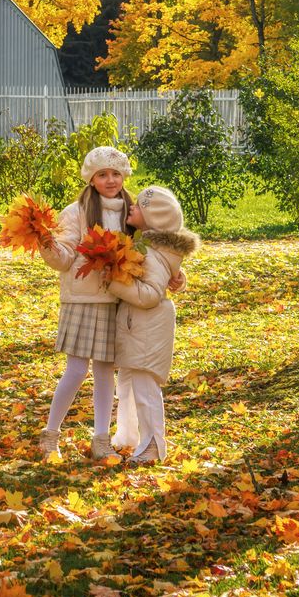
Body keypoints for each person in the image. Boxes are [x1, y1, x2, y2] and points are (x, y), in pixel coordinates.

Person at [37, 146, 135, 461]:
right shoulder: (76, 211)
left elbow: (146, 252)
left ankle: (101, 438)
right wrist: (48, 246)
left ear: (124, 177)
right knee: (77, 370)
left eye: (115, 174)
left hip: (115, 300)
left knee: (107, 371)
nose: (110, 180)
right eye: (103, 174)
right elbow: (64, 259)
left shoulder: (130, 213)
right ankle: (50, 434)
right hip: (81, 300)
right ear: (91, 179)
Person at [107, 186, 199, 465]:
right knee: (127, 386)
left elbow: (148, 295)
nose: (132, 208)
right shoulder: (150, 247)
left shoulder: (152, 254)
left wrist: (113, 282)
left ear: (153, 218)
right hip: (137, 328)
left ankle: (153, 446)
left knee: (145, 389)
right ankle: (128, 437)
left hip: (146, 328)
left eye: (139, 206)